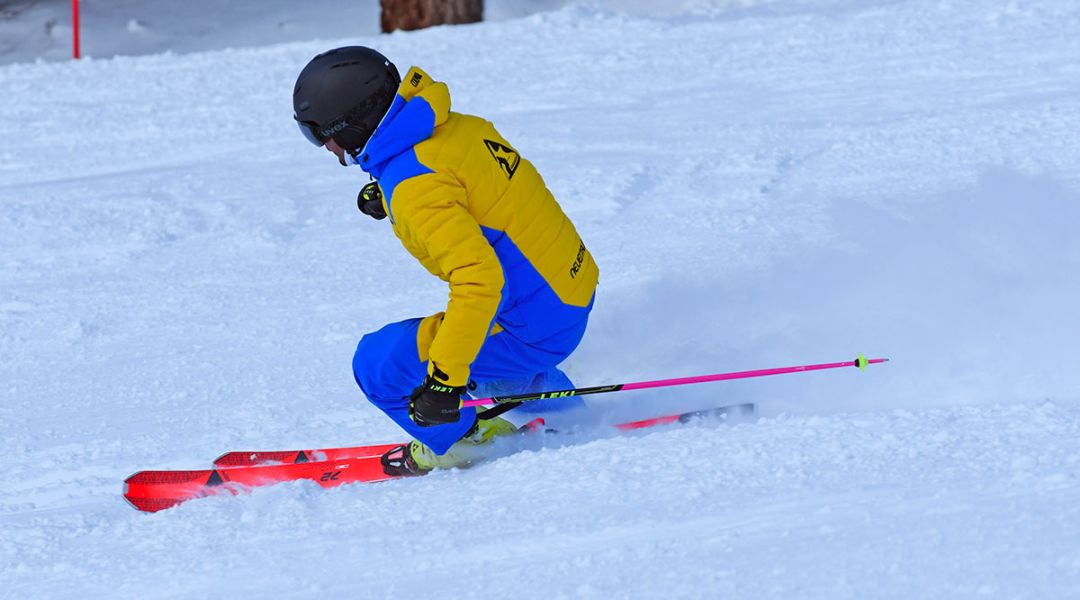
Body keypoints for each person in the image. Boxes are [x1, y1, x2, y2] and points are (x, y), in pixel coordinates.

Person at [292, 46, 598, 476]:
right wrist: (390, 190)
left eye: (318, 133)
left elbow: (478, 282)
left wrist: (444, 382)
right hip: (568, 289)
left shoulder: (416, 187)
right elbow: (476, 191)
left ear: (353, 123)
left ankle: (463, 441)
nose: (324, 146)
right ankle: (560, 407)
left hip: (535, 326)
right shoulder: (453, 130)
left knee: (379, 364)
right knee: (479, 341)